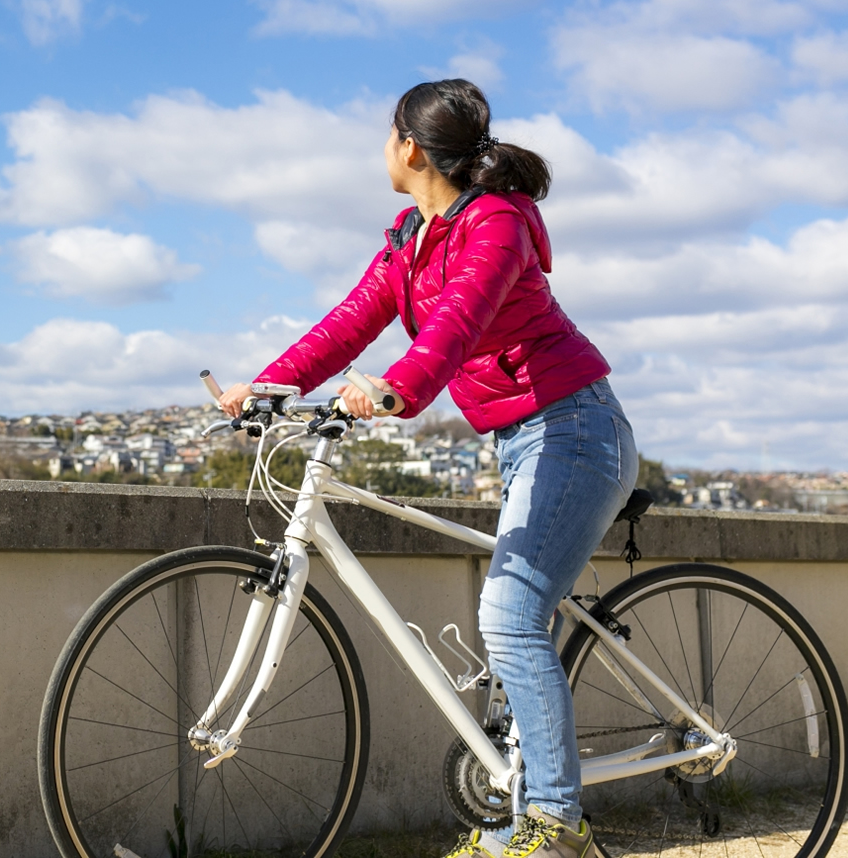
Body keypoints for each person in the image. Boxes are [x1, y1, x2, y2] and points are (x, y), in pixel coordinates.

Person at [218, 79, 637, 858]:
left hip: (573, 427)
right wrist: (269, 385)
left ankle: (552, 822)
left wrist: (396, 387)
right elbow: (346, 325)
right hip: (518, 438)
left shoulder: (497, 226)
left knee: (509, 619)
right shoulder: (411, 238)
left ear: (410, 147)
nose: (383, 148)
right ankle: (521, 815)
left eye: (386, 135)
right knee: (515, 622)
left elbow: (458, 321)